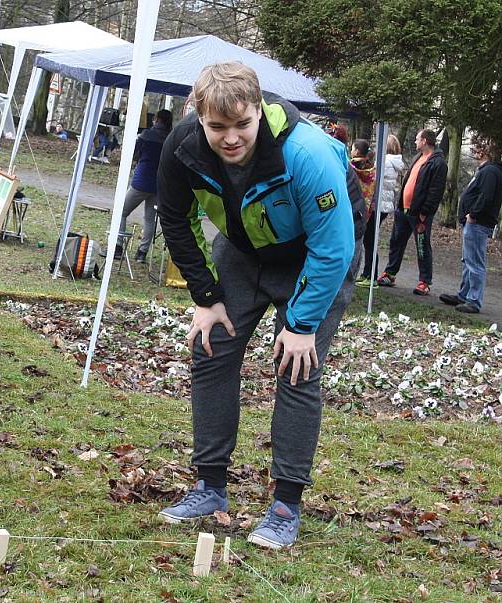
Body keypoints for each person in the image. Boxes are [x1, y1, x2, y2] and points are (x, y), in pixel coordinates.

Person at [156, 62, 357, 549]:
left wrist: (302, 324)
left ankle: (286, 504)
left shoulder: (306, 154)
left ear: (259, 111)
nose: (230, 138)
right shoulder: (181, 146)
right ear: (198, 116)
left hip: (314, 255)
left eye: (242, 125)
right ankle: (210, 487)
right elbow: (175, 220)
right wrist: (206, 297)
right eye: (217, 127)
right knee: (211, 347)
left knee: (296, 364)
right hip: (245, 251)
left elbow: (334, 249)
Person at [377, 129, 447, 295]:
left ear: (424, 141)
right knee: (396, 241)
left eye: (417, 139)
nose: (415, 142)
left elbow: (436, 190)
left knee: (422, 246)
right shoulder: (418, 158)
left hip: (420, 214)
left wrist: (425, 211)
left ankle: (424, 281)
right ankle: (390, 273)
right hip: (404, 209)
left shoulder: (438, 163)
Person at [439, 136, 502, 313]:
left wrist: (473, 214)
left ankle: (474, 300)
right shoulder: (486, 170)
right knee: (468, 260)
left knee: (475, 262)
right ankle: (464, 294)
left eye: (479, 147)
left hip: (477, 223)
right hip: (473, 223)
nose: (475, 150)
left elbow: (486, 196)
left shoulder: (490, 172)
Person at [120, 108, 173, 263]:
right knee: (150, 219)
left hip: (141, 181)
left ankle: (117, 246)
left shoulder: (147, 135)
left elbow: (134, 153)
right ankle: (142, 252)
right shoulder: (171, 137)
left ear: (157, 119)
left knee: (122, 212)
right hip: (159, 184)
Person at [359, 134, 405, 284]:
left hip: (378, 205)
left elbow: (372, 177)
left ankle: (370, 274)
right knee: (370, 239)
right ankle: (368, 273)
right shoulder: (394, 163)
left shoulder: (385, 162)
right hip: (385, 205)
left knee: (370, 240)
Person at [349, 139, 376, 284]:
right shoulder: (372, 168)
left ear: (357, 151)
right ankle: (368, 273)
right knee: (369, 242)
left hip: (353, 206)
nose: (351, 151)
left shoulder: (350, 166)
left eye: (352, 148)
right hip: (368, 208)